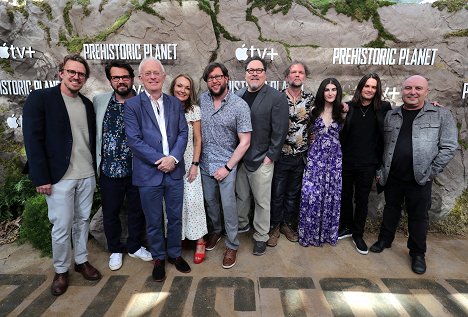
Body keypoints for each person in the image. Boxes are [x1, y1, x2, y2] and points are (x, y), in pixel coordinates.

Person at [22, 54, 101, 296]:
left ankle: (81, 261)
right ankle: (60, 270)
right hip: (59, 177)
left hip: (86, 174)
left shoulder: (87, 104)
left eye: (81, 74)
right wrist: (41, 177)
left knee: (82, 222)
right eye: (72, 72)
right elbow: (32, 140)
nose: (76, 76)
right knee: (62, 225)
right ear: (61, 73)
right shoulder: (41, 99)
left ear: (85, 78)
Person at [370, 75, 457, 274]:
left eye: (418, 88)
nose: (412, 92)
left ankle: (417, 253)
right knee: (391, 208)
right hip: (392, 175)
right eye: (408, 88)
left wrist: (432, 172)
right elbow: (381, 144)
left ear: (427, 91)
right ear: (403, 91)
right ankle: (385, 239)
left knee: (418, 217)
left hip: (420, 177)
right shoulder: (392, 115)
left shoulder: (440, 115)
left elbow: (449, 146)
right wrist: (380, 170)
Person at [124, 57, 189, 282]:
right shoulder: (132, 105)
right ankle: (158, 258)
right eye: (148, 73)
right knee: (153, 220)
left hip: (174, 172)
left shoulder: (175, 103)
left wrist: (173, 158)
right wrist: (161, 159)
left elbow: (183, 133)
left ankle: (174, 254)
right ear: (141, 78)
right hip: (148, 173)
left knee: (175, 217)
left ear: (163, 77)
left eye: (156, 73)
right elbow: (134, 139)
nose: (153, 77)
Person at [93, 60, 152, 271]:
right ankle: (115, 249)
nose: (121, 81)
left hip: (137, 170)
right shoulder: (99, 102)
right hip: (109, 171)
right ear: (110, 80)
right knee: (111, 212)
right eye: (116, 78)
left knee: (137, 211)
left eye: (125, 77)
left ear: (132, 78)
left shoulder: (143, 103)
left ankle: (135, 246)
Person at [199, 62, 251, 269]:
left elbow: (245, 141)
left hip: (227, 165)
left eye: (218, 76)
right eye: (210, 78)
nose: (215, 80)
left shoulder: (239, 105)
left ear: (226, 78)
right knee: (211, 203)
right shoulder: (202, 100)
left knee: (229, 207)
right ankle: (216, 231)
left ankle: (232, 244)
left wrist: (228, 167)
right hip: (204, 164)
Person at [235, 56, 289, 256]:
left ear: (265, 74)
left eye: (259, 70)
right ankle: (242, 227)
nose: (254, 73)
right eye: (251, 70)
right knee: (242, 197)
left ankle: (260, 236)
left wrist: (270, 157)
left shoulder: (276, 97)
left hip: (262, 160)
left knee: (262, 202)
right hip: (240, 159)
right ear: (245, 74)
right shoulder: (238, 95)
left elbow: (280, 130)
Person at [338, 73, 392, 255]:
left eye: (373, 87)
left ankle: (358, 234)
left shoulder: (384, 108)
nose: (369, 90)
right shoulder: (349, 106)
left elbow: (405, 113)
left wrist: (433, 106)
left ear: (377, 90)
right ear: (360, 88)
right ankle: (346, 226)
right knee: (345, 196)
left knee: (361, 200)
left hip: (368, 163)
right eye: (366, 86)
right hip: (346, 161)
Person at [268, 61, 315, 247]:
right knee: (277, 194)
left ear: (304, 76)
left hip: (300, 157)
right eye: (293, 72)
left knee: (292, 194)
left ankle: (287, 224)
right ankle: (274, 227)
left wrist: (344, 107)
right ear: (287, 77)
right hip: (281, 157)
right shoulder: (277, 98)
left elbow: (325, 113)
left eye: (300, 72)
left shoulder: (311, 100)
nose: (297, 75)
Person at [298, 78, 344, 247]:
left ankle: (326, 234)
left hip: (334, 161)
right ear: (322, 92)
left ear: (338, 92)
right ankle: (309, 234)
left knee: (330, 195)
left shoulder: (343, 111)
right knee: (311, 195)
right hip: (315, 159)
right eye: (327, 89)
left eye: (334, 89)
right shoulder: (313, 111)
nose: (330, 93)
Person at [169, 74, 208, 264]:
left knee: (194, 203)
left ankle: (200, 240)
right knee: (174, 204)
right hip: (169, 166)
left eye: (187, 87)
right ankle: (182, 237)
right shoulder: (164, 107)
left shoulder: (194, 110)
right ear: (173, 86)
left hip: (189, 163)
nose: (182, 90)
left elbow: (198, 140)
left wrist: (194, 164)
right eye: (179, 86)